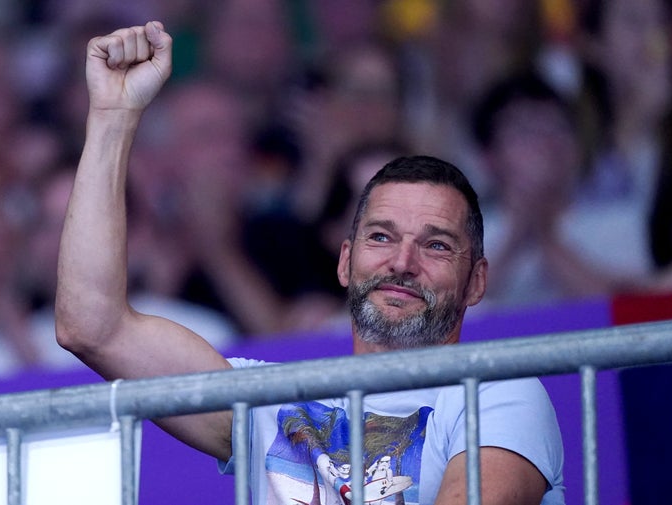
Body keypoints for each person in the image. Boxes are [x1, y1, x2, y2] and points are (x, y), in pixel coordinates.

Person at [55, 22, 564, 504]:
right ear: (346, 262)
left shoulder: (501, 394)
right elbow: (92, 326)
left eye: (435, 245)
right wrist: (111, 118)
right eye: (381, 237)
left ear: (476, 281)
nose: (402, 262)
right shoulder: (272, 402)